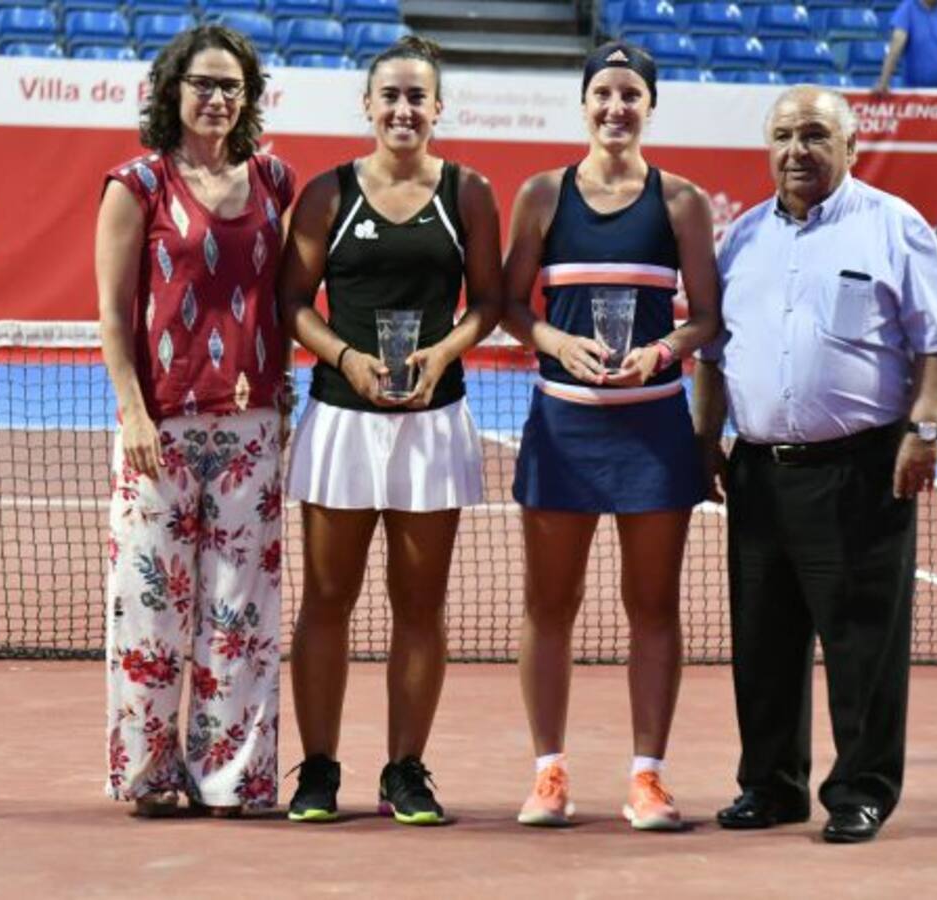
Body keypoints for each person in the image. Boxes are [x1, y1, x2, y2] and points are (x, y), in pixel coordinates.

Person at [694, 85, 937, 843]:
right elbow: (714, 356)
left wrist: (926, 430)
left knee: (862, 644)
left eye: (815, 135)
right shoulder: (741, 237)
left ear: (850, 146)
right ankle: (771, 786)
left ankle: (860, 791)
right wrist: (704, 439)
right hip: (757, 473)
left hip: (861, 471)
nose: (797, 151)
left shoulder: (894, 226)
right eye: (784, 136)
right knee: (763, 642)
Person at [277, 36, 502, 826]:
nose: (404, 110)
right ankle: (319, 768)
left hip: (433, 426)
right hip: (342, 419)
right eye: (391, 96)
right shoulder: (327, 194)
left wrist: (441, 355)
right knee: (326, 600)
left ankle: (405, 770)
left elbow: (489, 303)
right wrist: (345, 355)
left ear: (438, 108)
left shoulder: (469, 192)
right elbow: (292, 302)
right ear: (368, 106)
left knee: (419, 606)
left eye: (417, 97)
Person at [501, 41, 720, 831]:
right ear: (584, 103)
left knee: (653, 605)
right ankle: (548, 774)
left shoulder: (682, 202)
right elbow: (508, 305)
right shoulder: (542, 195)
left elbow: (706, 318)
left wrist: (661, 352)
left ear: (650, 107)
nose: (616, 107)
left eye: (631, 94)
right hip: (562, 428)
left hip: (653, 433)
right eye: (604, 93)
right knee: (548, 604)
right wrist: (555, 342)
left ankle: (647, 778)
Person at [96, 24, 296, 817]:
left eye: (231, 86)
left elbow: (282, 300)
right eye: (203, 84)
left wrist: (283, 395)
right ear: (172, 91)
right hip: (161, 429)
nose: (217, 98)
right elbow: (113, 314)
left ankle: (231, 779)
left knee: (241, 612)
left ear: (249, 97)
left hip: (251, 428)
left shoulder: (275, 179)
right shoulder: (136, 185)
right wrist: (133, 413)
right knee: (151, 607)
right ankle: (149, 775)